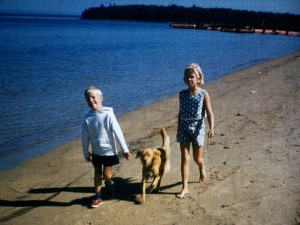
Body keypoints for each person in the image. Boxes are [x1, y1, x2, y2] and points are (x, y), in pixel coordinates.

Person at [82, 86, 131, 208]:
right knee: (97, 173)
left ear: (101, 98)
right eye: (88, 99)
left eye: (93, 97)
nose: (91, 100)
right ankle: (98, 197)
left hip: (109, 151)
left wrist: (124, 150)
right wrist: (86, 153)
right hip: (96, 153)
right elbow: (84, 137)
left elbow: (118, 132)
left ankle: (108, 184)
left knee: (106, 173)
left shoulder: (108, 114)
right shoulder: (88, 118)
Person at [176, 63, 214, 198]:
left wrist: (211, 128)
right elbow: (180, 112)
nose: (189, 79)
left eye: (192, 77)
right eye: (186, 77)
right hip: (184, 128)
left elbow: (209, 112)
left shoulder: (204, 94)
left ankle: (201, 167)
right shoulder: (182, 94)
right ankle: (185, 187)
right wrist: (178, 127)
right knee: (185, 158)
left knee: (197, 158)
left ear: (199, 78)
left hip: (198, 129)